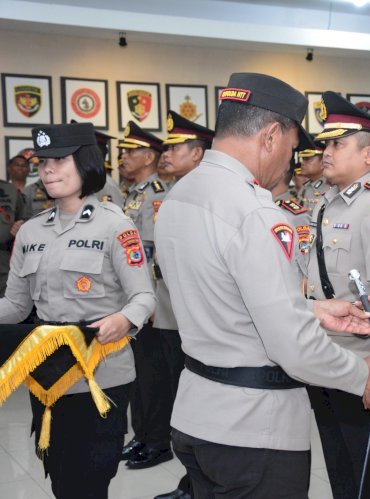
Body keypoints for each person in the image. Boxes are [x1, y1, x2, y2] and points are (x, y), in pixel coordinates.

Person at [154, 72, 370, 499]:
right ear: (270, 136)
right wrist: (365, 373)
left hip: (197, 414)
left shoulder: (182, 194)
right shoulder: (255, 212)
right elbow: (294, 347)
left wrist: (312, 310)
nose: (290, 161)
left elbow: (222, 299)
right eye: (290, 149)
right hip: (253, 428)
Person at [0, 122, 156, 498]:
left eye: (60, 160)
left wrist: (123, 320)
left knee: (90, 481)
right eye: (44, 161)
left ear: (85, 162)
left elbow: (144, 298)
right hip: (49, 376)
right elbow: (16, 305)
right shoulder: (32, 232)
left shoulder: (116, 226)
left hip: (101, 377)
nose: (48, 169)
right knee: (60, 478)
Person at [304, 91, 370, 499]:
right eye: (326, 143)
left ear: (369, 156)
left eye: (337, 144)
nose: (326, 152)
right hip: (324, 353)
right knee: (340, 464)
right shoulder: (326, 203)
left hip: (364, 358)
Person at [149, 111, 215, 499]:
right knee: (185, 397)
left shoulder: (202, 196)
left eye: (175, 147)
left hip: (198, 315)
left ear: (197, 154)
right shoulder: (179, 192)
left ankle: (196, 483)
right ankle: (191, 481)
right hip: (179, 309)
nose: (166, 153)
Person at [117, 121, 172, 469]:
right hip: (132, 298)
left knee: (154, 376)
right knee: (139, 374)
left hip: (151, 301)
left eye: (130, 151)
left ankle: (157, 440)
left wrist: (149, 299)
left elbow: (155, 254)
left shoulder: (156, 194)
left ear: (149, 156)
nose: (123, 157)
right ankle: (141, 434)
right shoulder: (135, 192)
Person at [0, 164, 29, 297]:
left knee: (6, 303)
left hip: (5, 258)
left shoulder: (10, 190)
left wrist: (21, 225)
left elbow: (24, 218)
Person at [296, 134, 330, 208]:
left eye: (307, 158)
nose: (302, 162)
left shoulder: (330, 188)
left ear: (322, 162)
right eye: (303, 158)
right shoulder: (305, 187)